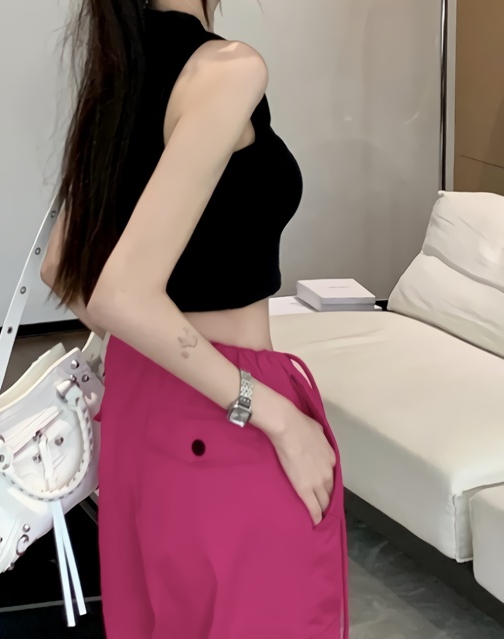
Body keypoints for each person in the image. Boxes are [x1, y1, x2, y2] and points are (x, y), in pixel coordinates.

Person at [41, 0, 348, 637]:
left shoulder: (121, 70)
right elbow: (121, 293)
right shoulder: (226, 68)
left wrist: (156, 346)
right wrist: (275, 415)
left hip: (140, 413)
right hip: (228, 423)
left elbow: (63, 268)